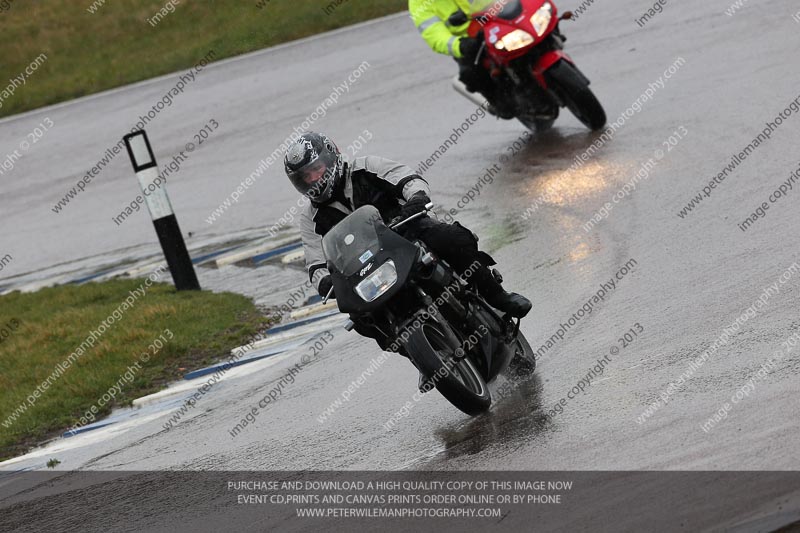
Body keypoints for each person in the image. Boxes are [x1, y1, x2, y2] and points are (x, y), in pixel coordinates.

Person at [285, 132, 531, 371]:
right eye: (305, 177)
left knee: (451, 239)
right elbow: (314, 261)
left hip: (408, 233)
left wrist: (416, 197)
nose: (313, 180)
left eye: (316, 170)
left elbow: (407, 179)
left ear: (331, 157)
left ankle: (498, 296)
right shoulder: (310, 218)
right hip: (367, 268)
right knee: (360, 316)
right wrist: (324, 281)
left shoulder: (367, 168)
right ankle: (421, 356)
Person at [408, 0, 514, 118]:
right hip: (471, 41)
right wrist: (460, 45)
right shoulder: (419, 4)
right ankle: (502, 103)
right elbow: (434, 35)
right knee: (471, 73)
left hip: (503, 20)